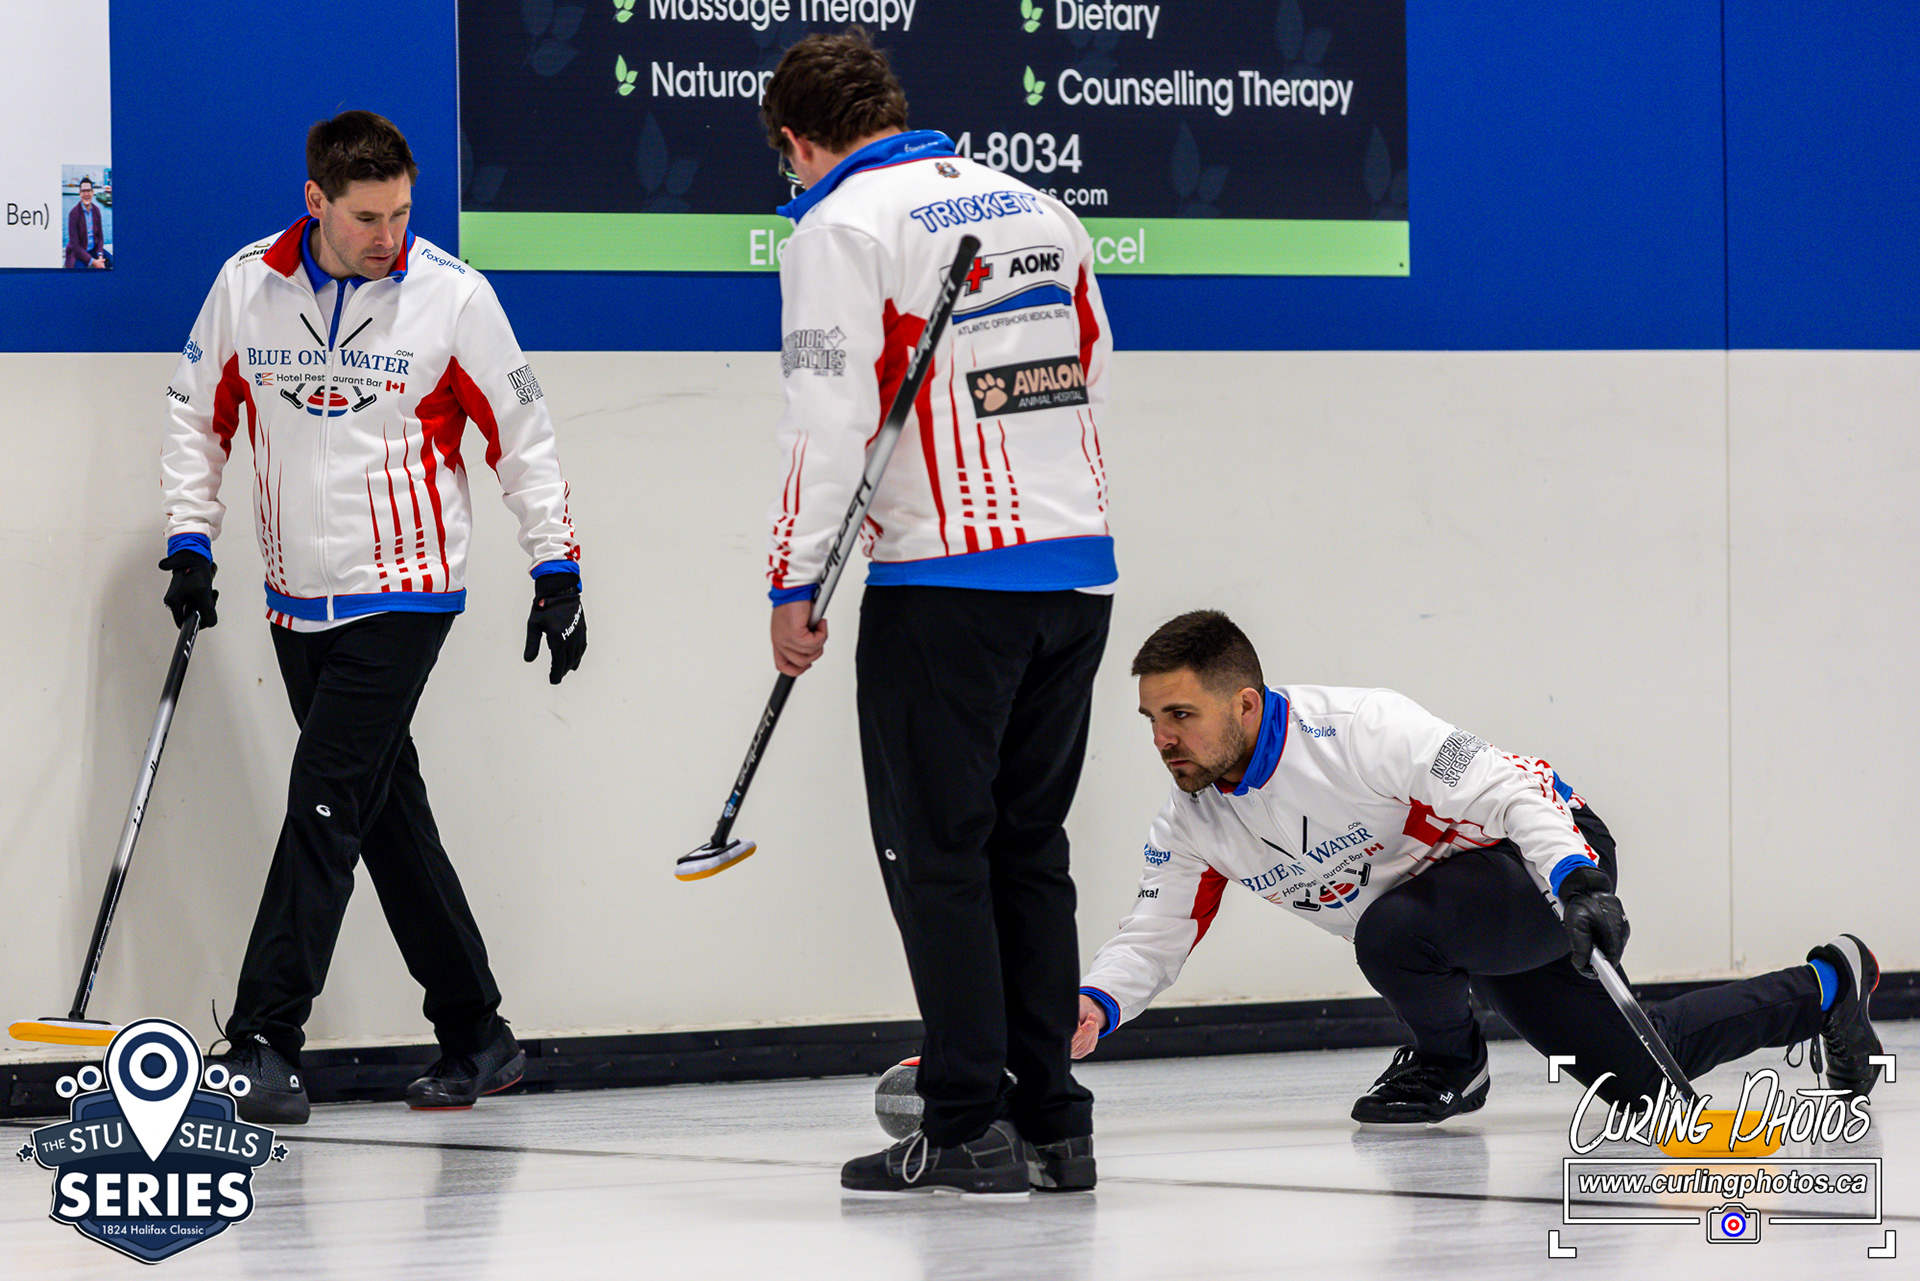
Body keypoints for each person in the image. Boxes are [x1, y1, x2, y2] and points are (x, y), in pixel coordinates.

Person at [159, 110, 587, 1126]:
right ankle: (477, 1031)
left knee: (323, 803)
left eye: (400, 213)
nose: (387, 235)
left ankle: (265, 1038)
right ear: (316, 200)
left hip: (405, 590)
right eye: (365, 217)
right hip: (293, 597)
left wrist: (556, 566)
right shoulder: (246, 287)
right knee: (385, 815)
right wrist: (189, 541)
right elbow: (195, 416)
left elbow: (523, 435)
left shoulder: (453, 298)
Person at [758, 29, 1116, 1195]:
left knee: (939, 856)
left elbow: (826, 421)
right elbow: (1092, 361)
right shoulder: (1038, 206)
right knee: (1030, 851)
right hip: (1077, 572)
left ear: (798, 141)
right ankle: (1055, 1123)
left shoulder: (841, 225)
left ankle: (964, 1123)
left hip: (948, 581)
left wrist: (794, 583)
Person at [1073, 611, 1883, 1124]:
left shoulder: (1360, 727)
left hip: (1537, 860)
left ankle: (1452, 1063)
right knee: (1641, 1081)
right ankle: (1829, 984)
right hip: (1456, 924)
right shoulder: (1194, 822)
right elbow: (1153, 933)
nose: (1163, 739)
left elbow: (1506, 787)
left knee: (1392, 931)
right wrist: (1095, 1005)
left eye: (1181, 714)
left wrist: (1577, 880)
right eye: (1152, 719)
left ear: (1245, 703)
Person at [65, 177, 110, 269]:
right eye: (83, 191)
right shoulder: (73, 214)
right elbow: (75, 246)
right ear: (80, 193)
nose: (86, 194)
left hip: (93, 250)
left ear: (93, 193)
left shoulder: (96, 211)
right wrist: (94, 262)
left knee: (112, 262)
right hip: (78, 253)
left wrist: (100, 256)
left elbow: (100, 237)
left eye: (88, 191)